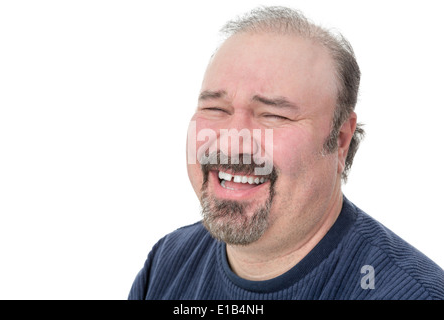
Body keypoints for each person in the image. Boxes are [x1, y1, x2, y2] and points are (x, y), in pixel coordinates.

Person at [129, 6, 444, 299]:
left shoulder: (408, 293)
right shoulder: (167, 264)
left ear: (341, 140)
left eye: (273, 115)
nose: (232, 142)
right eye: (216, 108)